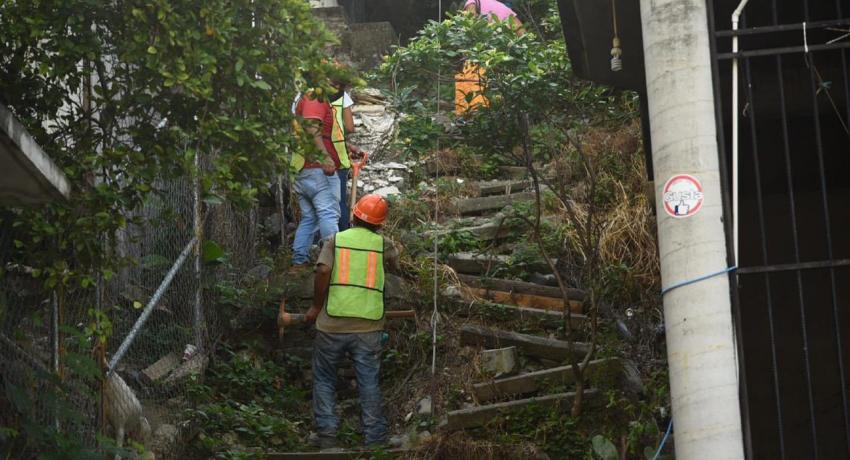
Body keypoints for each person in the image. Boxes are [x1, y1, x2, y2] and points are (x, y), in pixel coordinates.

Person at [305, 194, 397, 450]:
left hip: (332, 323)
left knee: (324, 378)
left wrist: (315, 306)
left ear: (353, 215)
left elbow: (323, 270)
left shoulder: (336, 240)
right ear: (380, 224)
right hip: (369, 325)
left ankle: (327, 435)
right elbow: (396, 264)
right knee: (369, 380)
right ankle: (375, 439)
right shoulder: (384, 245)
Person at [290, 91, 342, 267]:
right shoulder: (315, 96)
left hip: (304, 169)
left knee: (309, 218)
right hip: (318, 170)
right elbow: (312, 126)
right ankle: (331, 263)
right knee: (328, 213)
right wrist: (326, 157)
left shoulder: (306, 97)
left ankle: (299, 261)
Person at [455, 0, 524, 114]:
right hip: (502, 62)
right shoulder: (505, 9)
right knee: (501, 104)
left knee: (473, 106)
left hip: (478, 60)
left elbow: (470, 28)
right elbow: (523, 35)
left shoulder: (472, 3)